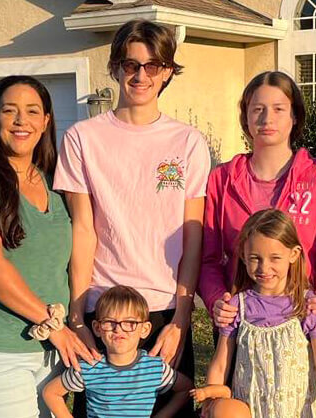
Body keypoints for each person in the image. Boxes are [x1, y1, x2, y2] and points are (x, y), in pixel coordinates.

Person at [53, 19, 209, 417]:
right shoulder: (82, 138)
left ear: (168, 72)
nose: (140, 75)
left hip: (161, 312)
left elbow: (193, 237)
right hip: (103, 312)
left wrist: (181, 319)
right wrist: (77, 317)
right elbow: (83, 229)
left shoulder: (188, 142)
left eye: (152, 65)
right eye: (130, 64)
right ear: (115, 67)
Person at [0, 75, 96, 418]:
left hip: (52, 351)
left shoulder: (55, 180)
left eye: (32, 111)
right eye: (9, 111)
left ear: (46, 121)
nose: (21, 121)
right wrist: (55, 327)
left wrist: (73, 324)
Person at [198, 71, 316, 330]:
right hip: (239, 324)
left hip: (300, 322)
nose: (267, 119)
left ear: (294, 115)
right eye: (258, 109)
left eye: (278, 109)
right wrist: (217, 300)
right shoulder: (222, 179)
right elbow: (208, 259)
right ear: (246, 117)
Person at [191, 209, 316, 418]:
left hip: (299, 411)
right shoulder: (238, 306)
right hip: (251, 410)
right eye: (255, 258)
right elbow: (221, 362)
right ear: (243, 254)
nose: (264, 267)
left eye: (275, 258)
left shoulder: (308, 306)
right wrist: (211, 402)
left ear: (294, 254)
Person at [43, 286, 193, 418]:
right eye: (110, 322)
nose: (118, 328)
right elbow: (51, 393)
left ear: (145, 329)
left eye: (129, 323)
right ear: (97, 328)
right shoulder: (89, 367)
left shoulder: (154, 368)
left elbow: (185, 388)